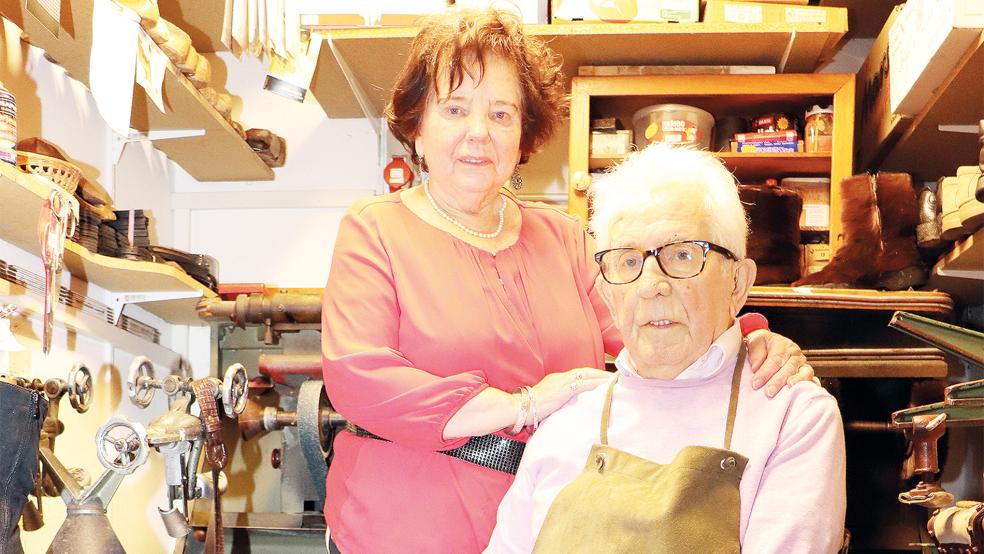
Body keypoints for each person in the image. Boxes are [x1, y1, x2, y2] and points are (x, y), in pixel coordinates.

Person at [320, 8, 816, 553]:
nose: (478, 132)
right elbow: (358, 376)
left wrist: (744, 339)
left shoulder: (565, 238)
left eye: (502, 114)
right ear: (416, 126)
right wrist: (520, 405)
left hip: (549, 527)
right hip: (406, 530)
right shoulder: (375, 229)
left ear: (524, 134)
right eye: (455, 108)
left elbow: (651, 327)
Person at [486, 144, 847, 553]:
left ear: (738, 282)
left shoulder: (791, 416)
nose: (652, 285)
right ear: (607, 293)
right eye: (627, 261)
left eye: (682, 255)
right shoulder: (566, 422)